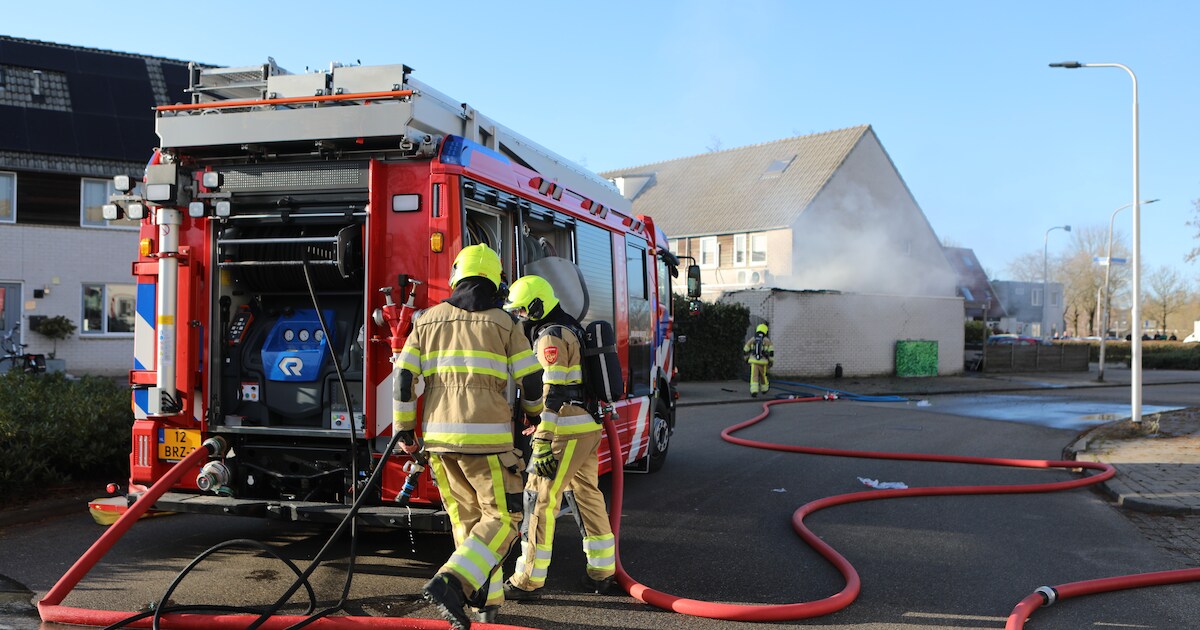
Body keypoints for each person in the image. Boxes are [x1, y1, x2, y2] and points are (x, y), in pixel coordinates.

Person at [393, 244, 543, 629]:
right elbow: (530, 379)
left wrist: (405, 430)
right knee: (504, 519)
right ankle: (452, 582)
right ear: (494, 280)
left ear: (456, 278)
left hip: (439, 442)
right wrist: (534, 414)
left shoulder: (426, 320)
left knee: (469, 521)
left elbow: (404, 379)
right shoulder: (505, 323)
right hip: (488, 441)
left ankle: (482, 606)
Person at [501, 275, 617, 600]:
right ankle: (602, 572)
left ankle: (527, 580)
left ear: (538, 306)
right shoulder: (570, 327)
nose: (521, 317)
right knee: (586, 495)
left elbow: (552, 391)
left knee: (539, 499)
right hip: (586, 426)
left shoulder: (550, 336)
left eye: (524, 311)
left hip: (564, 429)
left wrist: (543, 435)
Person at [742, 323, 774, 397]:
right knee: (763, 375)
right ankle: (764, 389)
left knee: (754, 376)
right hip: (763, 362)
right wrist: (771, 361)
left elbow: (745, 349)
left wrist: (746, 358)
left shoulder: (752, 339)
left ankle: (754, 390)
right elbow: (771, 353)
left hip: (754, 361)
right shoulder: (767, 341)